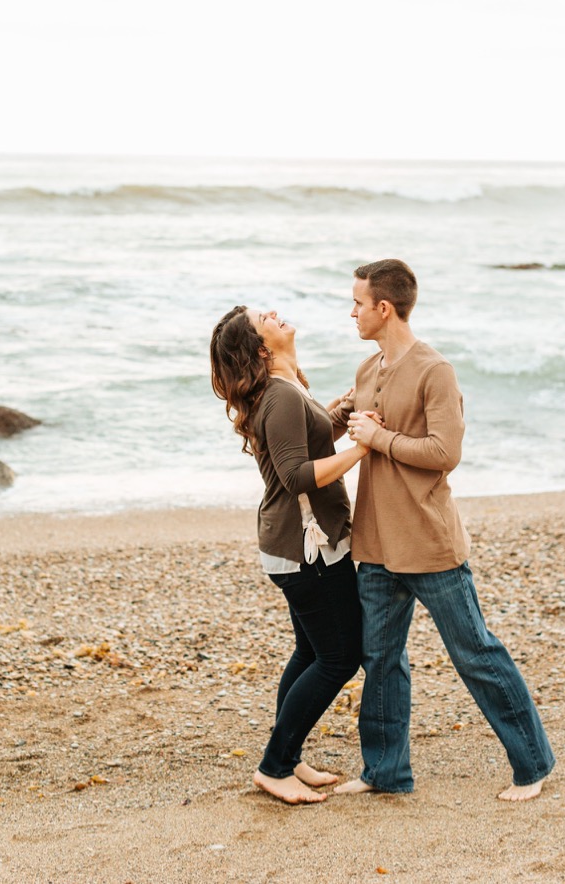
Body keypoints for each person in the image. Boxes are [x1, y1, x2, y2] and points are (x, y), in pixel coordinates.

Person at [329, 258, 555, 801]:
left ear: (384, 308)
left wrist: (377, 439)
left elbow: (443, 453)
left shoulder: (436, 371)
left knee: (475, 652)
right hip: (376, 543)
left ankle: (533, 764)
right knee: (380, 660)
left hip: (430, 543)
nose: (351, 312)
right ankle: (385, 773)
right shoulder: (367, 368)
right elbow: (338, 419)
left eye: (357, 303)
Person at [209, 305, 367, 804]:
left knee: (311, 652)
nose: (276, 314)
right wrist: (367, 448)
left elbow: (314, 439)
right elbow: (297, 474)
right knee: (340, 657)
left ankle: (290, 757)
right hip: (305, 550)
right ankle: (274, 766)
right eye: (265, 318)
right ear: (260, 348)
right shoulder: (278, 396)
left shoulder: (287, 386)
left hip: (305, 546)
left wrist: (346, 409)